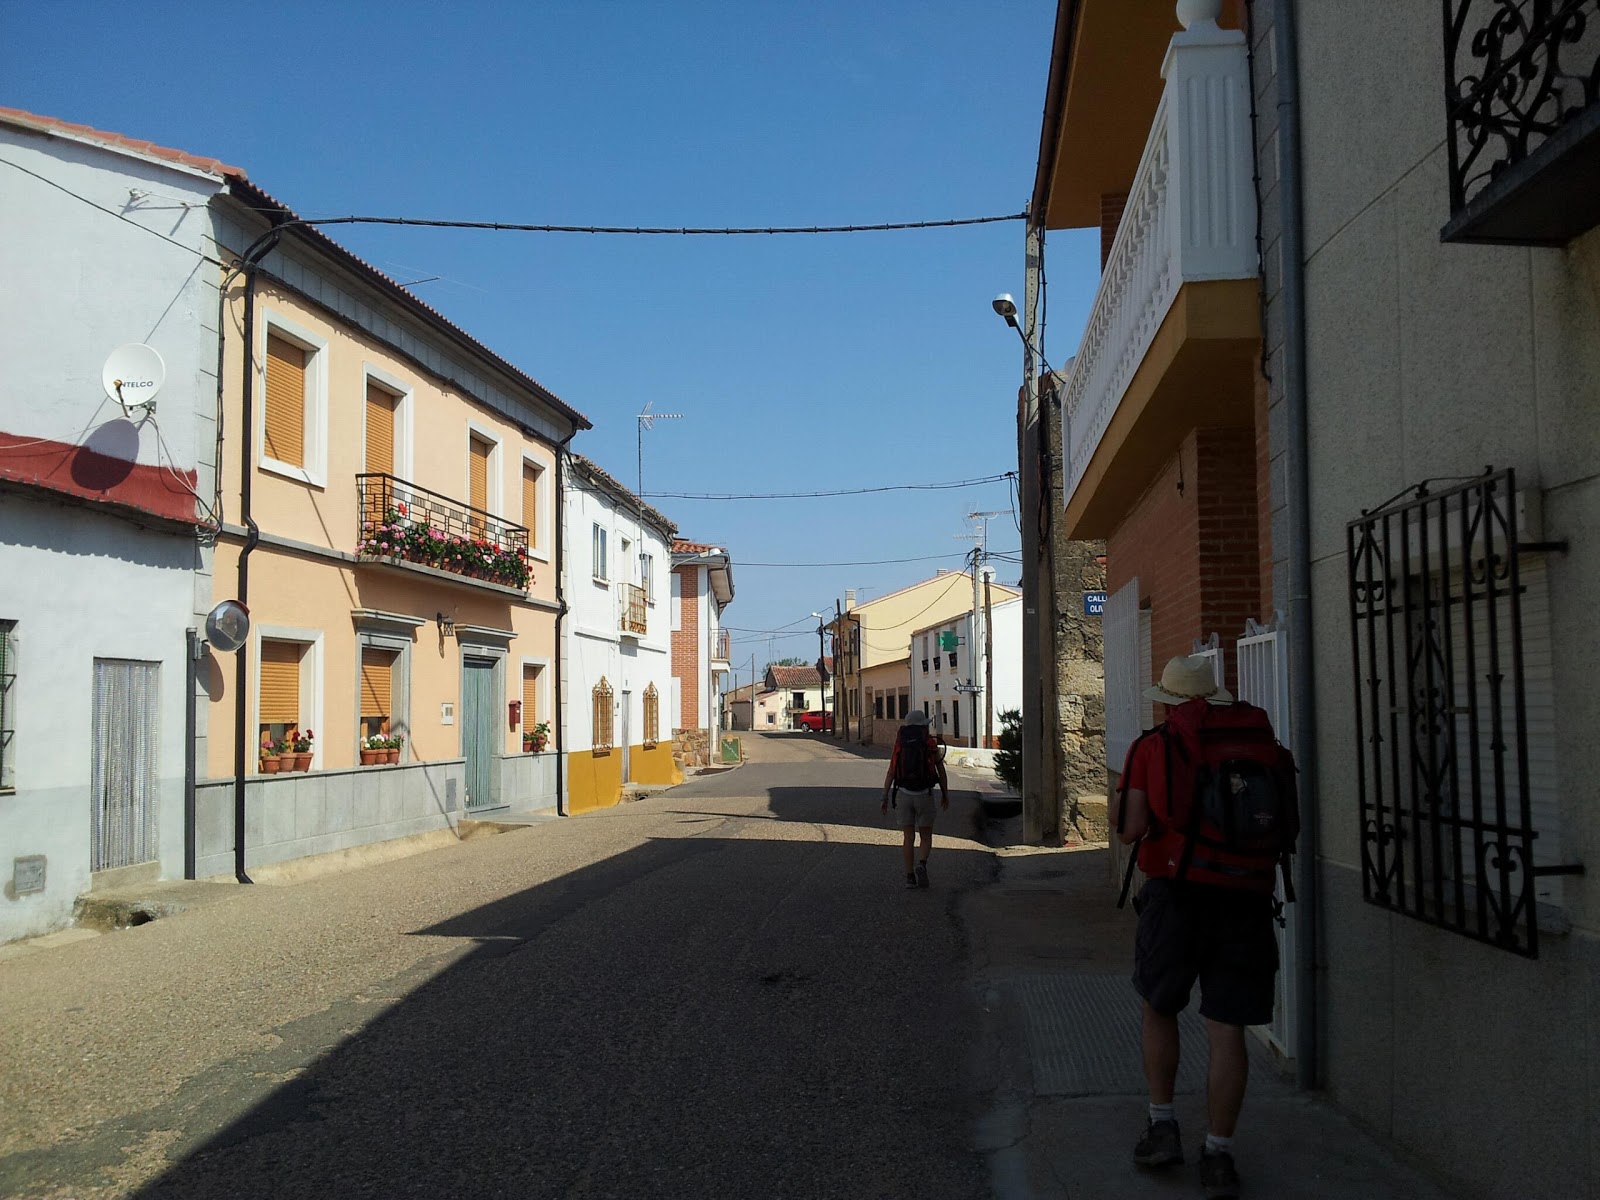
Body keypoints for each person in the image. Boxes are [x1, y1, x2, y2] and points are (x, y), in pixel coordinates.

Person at [1110, 655, 1297, 1200]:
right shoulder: (1259, 743)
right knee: (1227, 1027)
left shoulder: (1155, 746)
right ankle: (1218, 1155)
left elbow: (1130, 831)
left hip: (1176, 895)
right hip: (1246, 898)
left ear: (1168, 700)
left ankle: (1163, 1125)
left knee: (1160, 1007)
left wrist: (1125, 794)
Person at [880, 709, 949, 889]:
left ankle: (910, 877)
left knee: (908, 837)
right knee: (925, 836)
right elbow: (941, 772)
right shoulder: (930, 743)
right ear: (922, 726)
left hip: (904, 794)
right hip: (924, 795)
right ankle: (922, 864)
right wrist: (945, 794)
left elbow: (891, 772)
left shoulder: (900, 743)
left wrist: (885, 796)